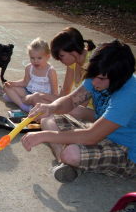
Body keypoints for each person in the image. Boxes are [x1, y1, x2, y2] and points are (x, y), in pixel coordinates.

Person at [21, 40, 135, 183]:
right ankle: (64, 163)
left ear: (119, 77)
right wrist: (51, 107)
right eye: (93, 76)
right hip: (100, 132)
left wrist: (44, 136)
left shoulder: (130, 94)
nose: (94, 83)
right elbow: (70, 100)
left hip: (126, 151)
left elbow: (91, 137)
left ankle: (68, 161)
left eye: (101, 79)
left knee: (71, 153)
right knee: (48, 118)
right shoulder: (99, 74)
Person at [25, 27, 95, 112]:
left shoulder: (93, 63)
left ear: (73, 52)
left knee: (46, 115)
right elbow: (65, 90)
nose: (60, 60)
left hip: (90, 110)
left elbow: (82, 105)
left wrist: (53, 107)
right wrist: (40, 96)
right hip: (75, 104)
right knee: (37, 99)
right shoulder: (74, 61)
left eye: (61, 56)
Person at [3, 38, 58, 112]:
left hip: (40, 98)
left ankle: (17, 99)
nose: (35, 61)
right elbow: (25, 82)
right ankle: (23, 106)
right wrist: (13, 83)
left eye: (39, 58)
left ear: (47, 57)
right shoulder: (29, 67)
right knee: (6, 88)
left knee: (8, 96)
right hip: (28, 92)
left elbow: (55, 94)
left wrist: (44, 99)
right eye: (32, 58)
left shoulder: (50, 71)